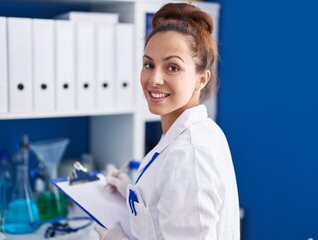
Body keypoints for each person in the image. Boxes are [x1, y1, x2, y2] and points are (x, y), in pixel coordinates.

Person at [94, 2, 240, 240]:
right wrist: (131, 193)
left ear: (200, 79)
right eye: (149, 65)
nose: (154, 79)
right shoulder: (191, 132)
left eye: (172, 67)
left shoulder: (190, 154)